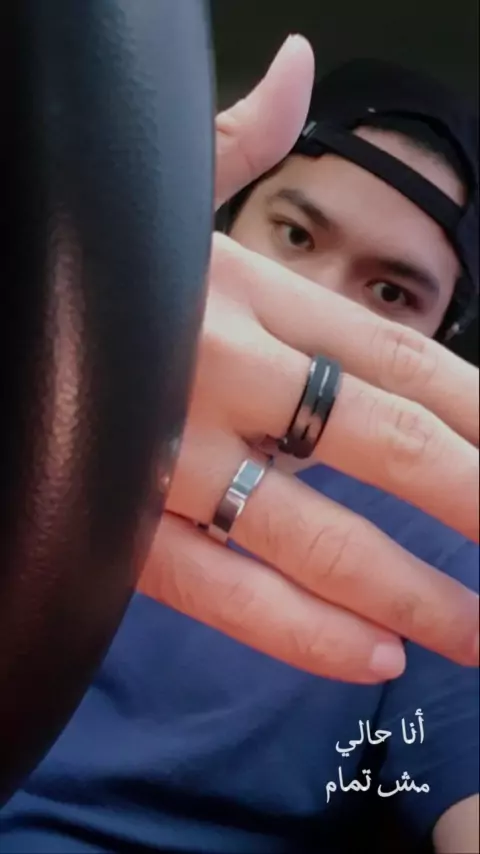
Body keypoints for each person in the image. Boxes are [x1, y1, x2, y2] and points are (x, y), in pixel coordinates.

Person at [0, 36, 478, 854]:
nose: (312, 305)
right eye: (294, 235)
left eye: (391, 291)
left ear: (441, 336)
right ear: (222, 219)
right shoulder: (34, 408)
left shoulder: (442, 544)